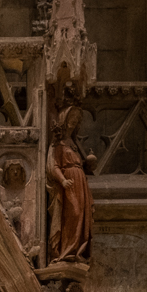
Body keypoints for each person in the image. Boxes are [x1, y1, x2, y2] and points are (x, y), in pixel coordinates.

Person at [46, 104, 95, 263]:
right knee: (72, 215)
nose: (74, 122)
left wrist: (87, 165)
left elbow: (76, 163)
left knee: (81, 215)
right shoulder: (58, 143)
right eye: (71, 118)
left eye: (77, 119)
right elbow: (53, 165)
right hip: (69, 184)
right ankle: (66, 252)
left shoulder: (72, 143)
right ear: (64, 119)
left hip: (80, 184)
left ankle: (77, 252)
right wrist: (63, 180)